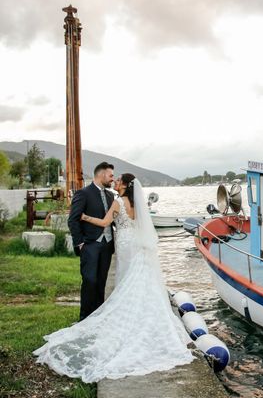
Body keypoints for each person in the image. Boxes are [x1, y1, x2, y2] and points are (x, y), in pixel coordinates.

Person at [34, 173, 194, 382]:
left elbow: (104, 222)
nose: (116, 183)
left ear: (126, 186)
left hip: (125, 245)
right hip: (137, 245)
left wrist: (84, 217)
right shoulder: (138, 205)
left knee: (126, 279)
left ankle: (130, 315)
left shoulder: (118, 201)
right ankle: (143, 312)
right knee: (138, 280)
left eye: (119, 181)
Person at [68, 162, 116, 320]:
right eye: (110, 175)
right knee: (89, 281)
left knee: (101, 281)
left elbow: (112, 220)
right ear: (101, 175)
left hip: (107, 245)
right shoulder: (84, 193)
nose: (112, 179)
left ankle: (98, 317)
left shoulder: (110, 196)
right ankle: (84, 319)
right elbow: (73, 220)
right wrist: (80, 243)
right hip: (90, 244)